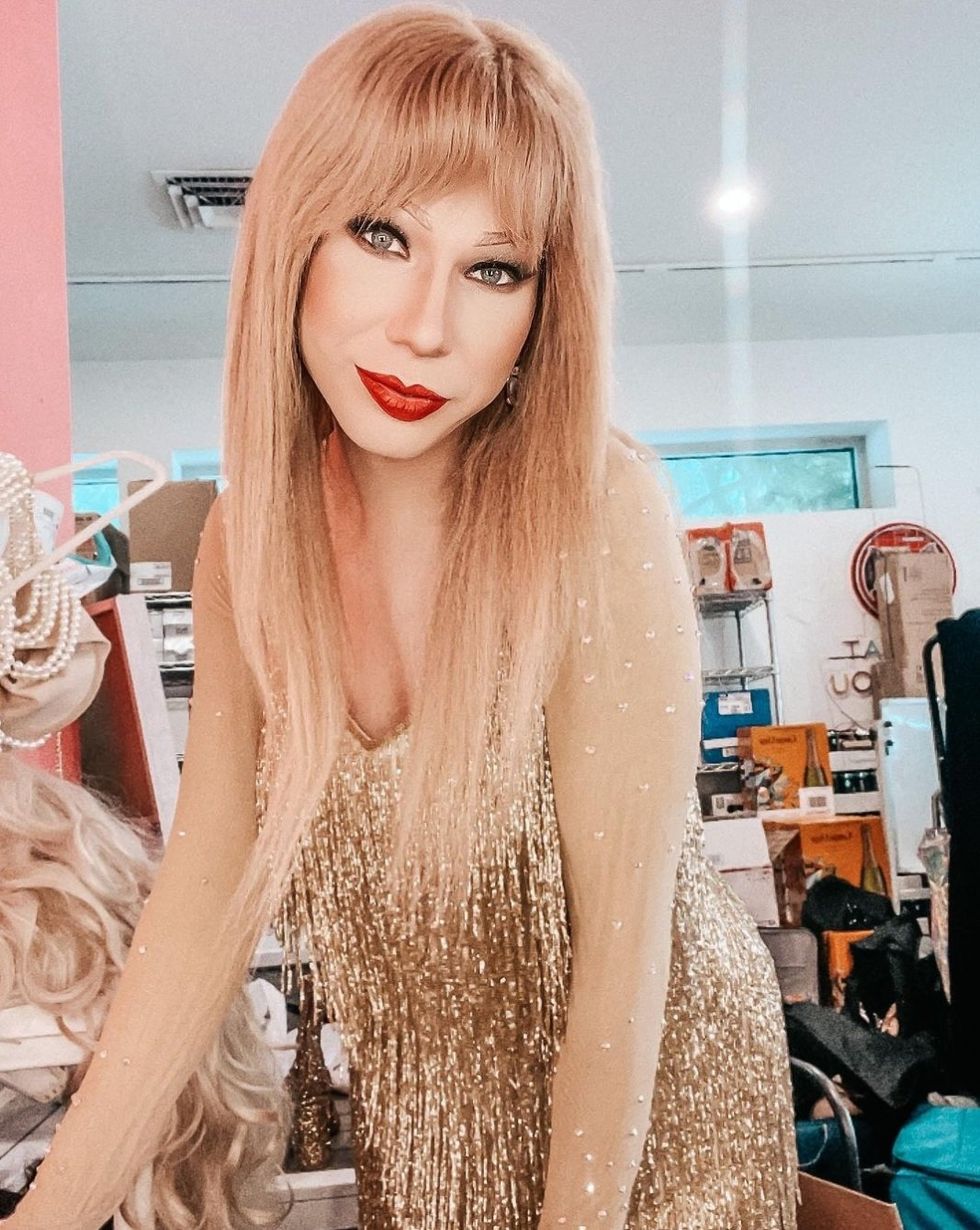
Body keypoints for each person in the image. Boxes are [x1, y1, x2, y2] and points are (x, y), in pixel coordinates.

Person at [4, 5, 798, 1228]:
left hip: (654, 1126)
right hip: (428, 1117)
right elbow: (198, 913)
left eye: (493, 269)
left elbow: (622, 955)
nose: (425, 326)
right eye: (383, 235)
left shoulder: (593, 511)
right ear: (296, 236)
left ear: (542, 308)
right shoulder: (250, 546)